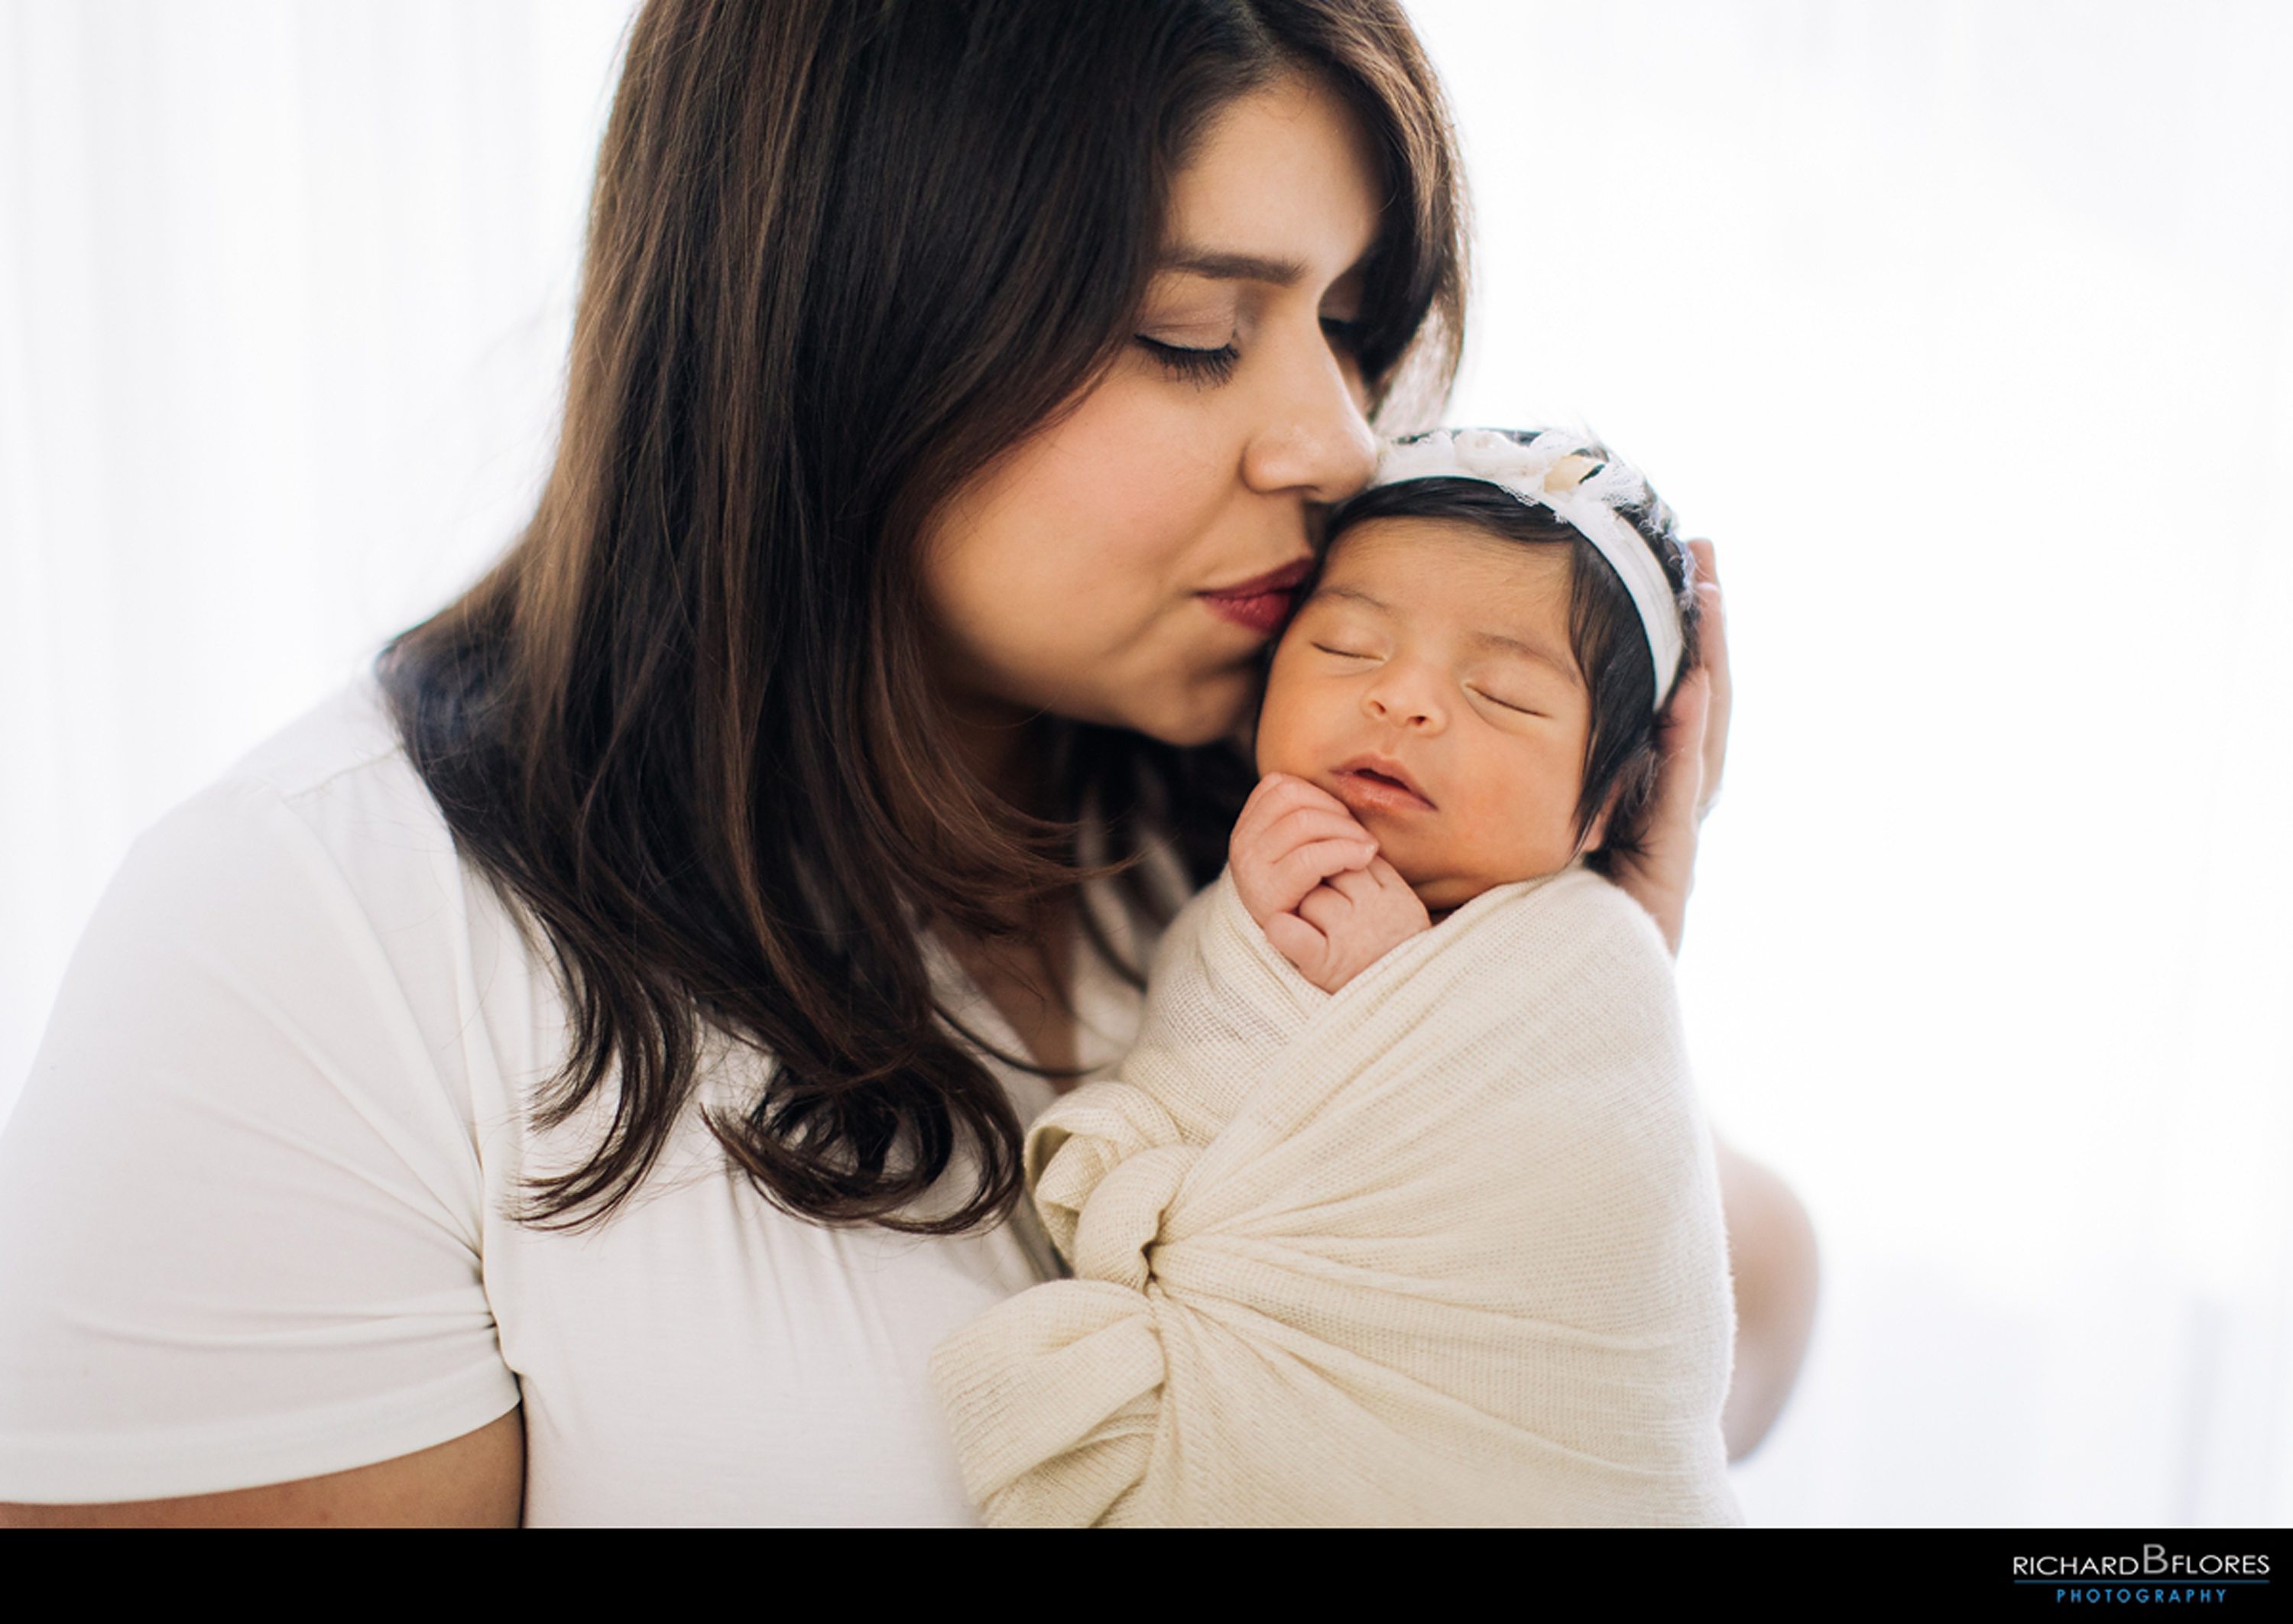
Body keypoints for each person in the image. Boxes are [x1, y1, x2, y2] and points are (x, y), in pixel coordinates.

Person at [0, 1, 1811, 1526]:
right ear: (844, 320)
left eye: (1349, 328)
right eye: (1195, 335)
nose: (1339, 446)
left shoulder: (1294, 804)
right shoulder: (313, 940)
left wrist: (1563, 987)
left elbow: (1734, 1347)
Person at [933, 428, 1740, 1525]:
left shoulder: (1593, 968)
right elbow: (1185, 1100)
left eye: (1501, 693)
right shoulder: (1206, 902)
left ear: (1601, 810)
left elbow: (1607, 1246)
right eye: (1350, 649)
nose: (1405, 700)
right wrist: (1272, 980)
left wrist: (1395, 1009)